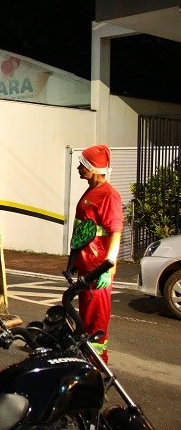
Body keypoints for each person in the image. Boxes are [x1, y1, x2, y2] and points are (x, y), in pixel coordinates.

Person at [73, 144, 122, 363]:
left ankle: (97, 365)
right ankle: (86, 360)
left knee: (96, 323)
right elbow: (84, 231)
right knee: (86, 320)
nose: (78, 168)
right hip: (86, 268)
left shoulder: (109, 195)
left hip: (98, 271)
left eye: (83, 165)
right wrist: (74, 260)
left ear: (93, 168)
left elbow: (115, 232)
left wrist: (108, 266)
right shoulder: (91, 191)